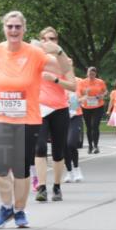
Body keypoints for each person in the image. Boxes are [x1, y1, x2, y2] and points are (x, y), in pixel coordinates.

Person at [0, 11, 72, 229]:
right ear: (4, 29)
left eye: (18, 27)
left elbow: (64, 69)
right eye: (10, 26)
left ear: (24, 30)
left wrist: (59, 50)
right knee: (0, 166)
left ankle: (19, 211)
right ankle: (6, 206)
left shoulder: (35, 53)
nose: (14, 30)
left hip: (27, 119)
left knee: (21, 169)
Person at [33, 27, 75, 203]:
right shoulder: (35, 59)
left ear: (57, 41)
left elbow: (73, 86)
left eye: (53, 38)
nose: (49, 41)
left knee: (58, 151)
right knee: (40, 148)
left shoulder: (65, 61)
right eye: (46, 38)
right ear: (41, 41)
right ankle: (41, 187)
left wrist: (56, 80)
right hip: (40, 108)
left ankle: (57, 186)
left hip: (59, 108)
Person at [78, 67, 107, 153]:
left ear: (95, 74)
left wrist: (102, 95)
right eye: (90, 74)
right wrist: (85, 93)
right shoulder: (82, 82)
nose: (91, 75)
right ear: (87, 73)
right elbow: (79, 93)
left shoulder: (100, 82)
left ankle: (96, 146)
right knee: (89, 127)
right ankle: (90, 146)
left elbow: (105, 91)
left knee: (95, 125)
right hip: (86, 107)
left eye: (93, 74)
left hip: (98, 106)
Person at [65, 88, 84, 182]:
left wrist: (81, 100)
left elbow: (82, 99)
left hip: (75, 117)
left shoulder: (75, 85)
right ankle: (69, 172)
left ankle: (76, 169)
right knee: (64, 147)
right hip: (61, 118)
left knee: (71, 144)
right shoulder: (55, 87)